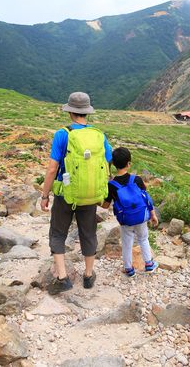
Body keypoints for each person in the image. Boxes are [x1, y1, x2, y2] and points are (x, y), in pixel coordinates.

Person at [40, 92, 112, 295]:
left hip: (66, 194)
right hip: (90, 195)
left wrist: (45, 195)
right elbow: (107, 160)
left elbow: (53, 168)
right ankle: (88, 275)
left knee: (58, 232)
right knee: (88, 232)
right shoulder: (99, 135)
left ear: (70, 111)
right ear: (87, 112)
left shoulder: (62, 134)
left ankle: (62, 277)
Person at [102, 147, 159, 277]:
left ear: (114, 164)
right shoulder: (137, 179)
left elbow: (105, 205)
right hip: (140, 216)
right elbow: (146, 198)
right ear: (129, 164)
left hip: (125, 219)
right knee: (143, 238)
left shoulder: (111, 185)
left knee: (127, 242)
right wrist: (153, 214)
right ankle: (149, 265)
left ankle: (129, 269)